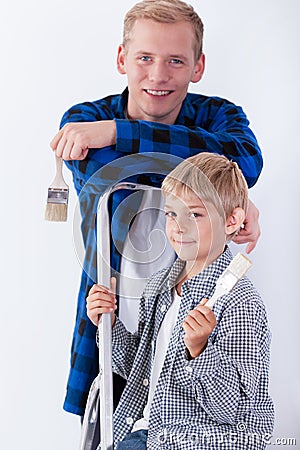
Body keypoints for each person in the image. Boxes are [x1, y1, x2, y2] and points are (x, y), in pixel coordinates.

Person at [50, 0, 262, 417]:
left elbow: (247, 160)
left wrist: (116, 133)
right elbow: (108, 169)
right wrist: (222, 188)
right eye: (145, 58)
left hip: (201, 314)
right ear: (121, 58)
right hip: (114, 312)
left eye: (176, 61)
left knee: (201, 425)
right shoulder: (83, 119)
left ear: (198, 67)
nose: (158, 75)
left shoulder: (219, 115)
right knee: (107, 431)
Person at [86, 152, 274, 450]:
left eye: (195, 215)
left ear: (232, 220)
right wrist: (108, 323)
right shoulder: (160, 284)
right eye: (172, 213)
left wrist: (199, 352)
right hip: (144, 432)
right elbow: (137, 370)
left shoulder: (240, 302)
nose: (178, 226)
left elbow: (233, 410)